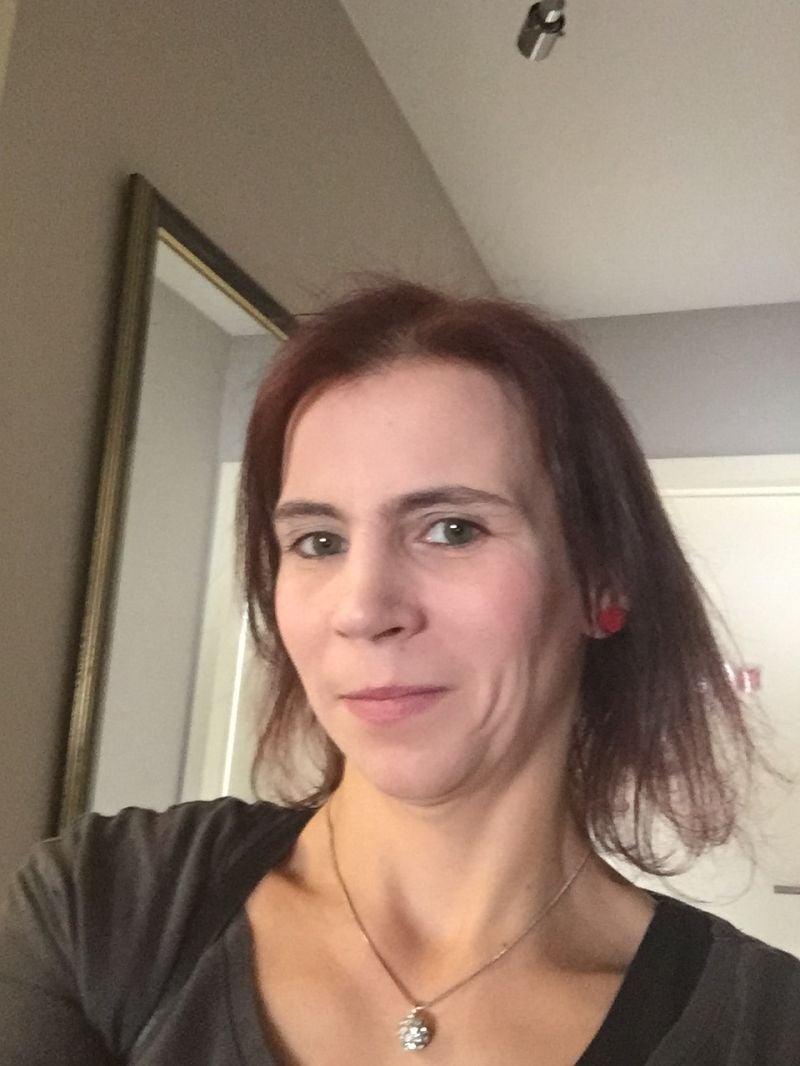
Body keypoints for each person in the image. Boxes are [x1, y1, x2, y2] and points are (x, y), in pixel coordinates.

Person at [1, 279, 799, 1065]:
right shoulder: (103, 909)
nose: (363, 609)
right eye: (319, 542)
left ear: (602, 582)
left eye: (452, 530)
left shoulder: (769, 1031)